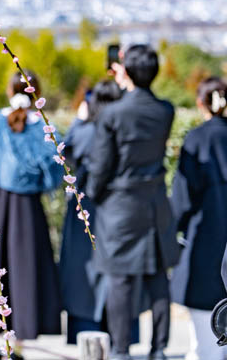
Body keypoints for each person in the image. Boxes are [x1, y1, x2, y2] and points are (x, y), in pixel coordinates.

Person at [86, 44, 179, 360]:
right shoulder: (165, 110)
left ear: (127, 71)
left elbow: (101, 165)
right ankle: (159, 348)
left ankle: (121, 349)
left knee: (120, 278)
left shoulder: (112, 113)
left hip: (120, 204)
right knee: (157, 277)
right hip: (154, 200)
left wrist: (94, 194)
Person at [0, 72, 63, 360]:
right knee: (25, 273)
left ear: (8, 90)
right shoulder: (43, 127)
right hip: (29, 211)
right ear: (37, 92)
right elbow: (55, 172)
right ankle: (18, 347)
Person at [59, 81, 144, 344]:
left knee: (85, 279)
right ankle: (122, 337)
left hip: (86, 209)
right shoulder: (128, 129)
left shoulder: (86, 132)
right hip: (121, 208)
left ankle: (87, 337)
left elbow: (64, 155)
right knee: (120, 274)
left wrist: (78, 121)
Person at [170, 77, 227, 360]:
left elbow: (182, 201)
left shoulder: (197, 139)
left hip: (207, 251)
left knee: (205, 346)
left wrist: (172, 234)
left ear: (201, 103)